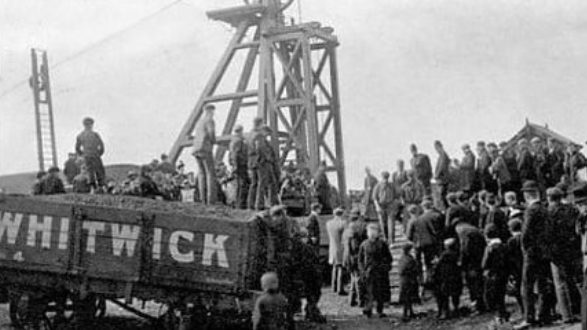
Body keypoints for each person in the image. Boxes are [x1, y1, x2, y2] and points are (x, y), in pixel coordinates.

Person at [515, 180, 552, 330]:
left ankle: (528, 317)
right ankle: (544, 315)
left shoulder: (531, 210)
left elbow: (526, 234)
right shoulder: (544, 208)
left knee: (527, 286)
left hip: (532, 253)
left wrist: (525, 250)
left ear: (526, 195)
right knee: (543, 284)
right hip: (544, 252)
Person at [545, 187, 581, 323]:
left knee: (560, 284)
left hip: (557, 252)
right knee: (578, 280)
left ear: (549, 198)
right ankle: (581, 308)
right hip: (572, 249)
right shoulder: (571, 209)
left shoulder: (548, 213)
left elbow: (547, 235)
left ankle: (567, 315)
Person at [358, 223, 392, 318]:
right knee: (368, 292)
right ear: (367, 233)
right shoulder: (364, 244)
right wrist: (362, 271)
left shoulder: (382, 244)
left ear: (377, 233)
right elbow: (360, 259)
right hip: (368, 271)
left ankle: (379, 310)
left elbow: (388, 257)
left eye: (374, 231)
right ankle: (368, 309)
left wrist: (386, 267)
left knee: (380, 292)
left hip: (380, 271)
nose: (372, 233)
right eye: (370, 231)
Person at [482, 224, 510, 324]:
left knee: (494, 297)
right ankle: (504, 314)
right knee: (501, 295)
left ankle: (499, 316)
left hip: (493, 276)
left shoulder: (489, 248)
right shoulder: (505, 246)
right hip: (504, 274)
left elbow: (484, 264)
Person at [406, 204, 438, 291]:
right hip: (428, 242)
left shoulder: (411, 221)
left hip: (418, 244)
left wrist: (411, 240)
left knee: (418, 262)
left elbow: (409, 235)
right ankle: (430, 278)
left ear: (410, 213)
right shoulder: (424, 218)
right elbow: (432, 230)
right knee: (429, 262)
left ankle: (420, 280)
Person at [192, 104, 217, 204]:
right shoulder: (210, 120)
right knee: (210, 173)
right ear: (210, 111)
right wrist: (214, 141)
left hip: (196, 149)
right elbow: (211, 133)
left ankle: (203, 199)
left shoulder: (199, 122)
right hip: (206, 149)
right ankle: (211, 200)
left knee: (201, 174)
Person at [342, 207, 367, 307]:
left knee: (353, 277)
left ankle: (351, 299)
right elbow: (358, 246)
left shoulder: (346, 230)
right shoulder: (359, 228)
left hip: (347, 256)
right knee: (358, 278)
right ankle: (361, 300)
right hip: (355, 256)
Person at [433, 238, 463, 320]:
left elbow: (438, 266)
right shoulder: (457, 254)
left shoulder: (444, 255)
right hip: (455, 277)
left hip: (445, 277)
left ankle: (446, 312)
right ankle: (456, 309)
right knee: (455, 295)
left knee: (444, 295)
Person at [75, 117, 105, 190]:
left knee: (90, 171)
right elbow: (102, 146)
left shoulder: (80, 135)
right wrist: (99, 153)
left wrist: (83, 154)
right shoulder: (95, 134)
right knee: (99, 171)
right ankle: (100, 187)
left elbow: (77, 148)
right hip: (95, 155)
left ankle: (93, 188)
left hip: (87, 155)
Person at [326, 207, 348, 295]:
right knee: (341, 268)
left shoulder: (329, 223)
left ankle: (333, 287)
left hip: (332, 247)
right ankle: (340, 288)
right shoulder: (343, 223)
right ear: (341, 214)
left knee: (334, 267)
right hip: (340, 247)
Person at [372, 171, 399, 242]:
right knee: (383, 224)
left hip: (390, 206)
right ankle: (386, 239)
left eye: (387, 178)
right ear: (381, 178)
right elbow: (375, 198)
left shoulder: (392, 185)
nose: (385, 180)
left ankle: (392, 240)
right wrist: (377, 207)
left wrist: (394, 206)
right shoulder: (377, 186)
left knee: (391, 224)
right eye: (384, 178)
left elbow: (396, 197)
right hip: (381, 206)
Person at [506, 218, 525, 315]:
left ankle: (523, 309)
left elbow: (509, 258)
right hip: (525, 265)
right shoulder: (524, 237)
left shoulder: (511, 241)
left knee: (518, 290)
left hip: (516, 269)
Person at [398, 242, 419, 322]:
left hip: (406, 280)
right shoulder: (408, 259)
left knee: (408, 298)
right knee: (407, 298)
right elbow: (403, 270)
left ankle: (410, 312)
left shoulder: (403, 258)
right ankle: (405, 314)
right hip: (408, 281)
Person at [229, 125, 249, 209]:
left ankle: (239, 204)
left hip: (238, 165)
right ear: (240, 131)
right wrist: (236, 167)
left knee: (239, 186)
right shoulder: (238, 141)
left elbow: (231, 156)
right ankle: (240, 205)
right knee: (242, 186)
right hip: (240, 166)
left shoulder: (233, 141)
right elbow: (235, 155)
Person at [247, 117, 265, 209]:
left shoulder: (249, 134)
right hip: (258, 161)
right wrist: (261, 158)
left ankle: (250, 204)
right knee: (261, 183)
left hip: (251, 161)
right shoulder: (259, 135)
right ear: (260, 124)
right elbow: (259, 148)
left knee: (253, 183)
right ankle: (259, 204)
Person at [434, 140, 450, 208]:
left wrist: (436, 175)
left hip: (442, 180)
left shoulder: (443, 155)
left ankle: (446, 211)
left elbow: (442, 167)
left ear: (439, 147)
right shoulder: (442, 155)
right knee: (442, 197)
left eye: (436, 148)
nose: (436, 150)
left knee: (442, 197)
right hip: (442, 179)